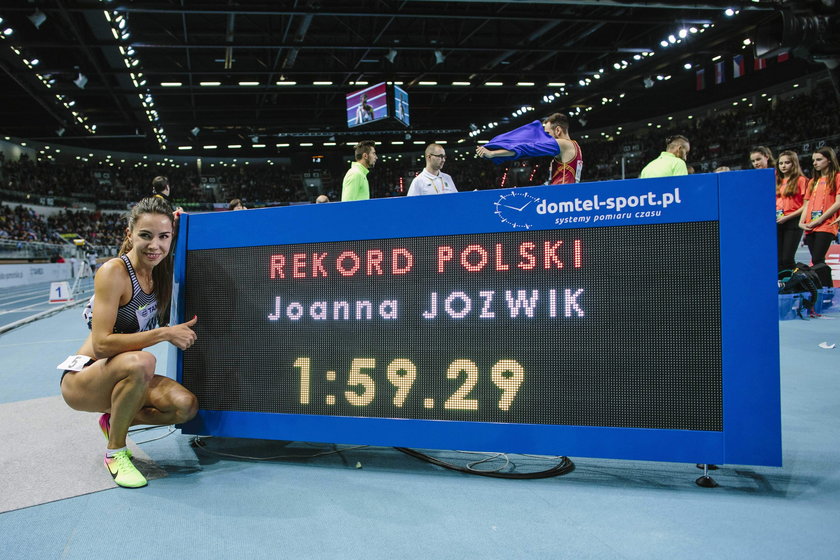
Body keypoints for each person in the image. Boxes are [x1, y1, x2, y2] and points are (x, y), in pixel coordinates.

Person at [59, 197, 199, 488]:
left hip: (128, 374)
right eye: (146, 235)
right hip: (84, 378)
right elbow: (100, 345)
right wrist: (164, 333)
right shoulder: (114, 272)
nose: (155, 245)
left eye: (164, 237)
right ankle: (116, 453)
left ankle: (113, 423)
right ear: (129, 234)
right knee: (143, 360)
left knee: (186, 407)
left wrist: (182, 224)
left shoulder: (158, 271)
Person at [475, 113, 583, 184]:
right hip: (566, 195)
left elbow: (526, 149)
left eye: (547, 134)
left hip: (562, 197)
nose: (546, 138)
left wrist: (493, 154)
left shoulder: (563, 144)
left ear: (558, 130)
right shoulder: (575, 145)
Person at [799, 146, 840, 287]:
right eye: (813, 160)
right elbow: (807, 204)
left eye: (819, 159)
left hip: (826, 224)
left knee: (817, 259)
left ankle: (828, 290)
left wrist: (820, 220)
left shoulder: (837, 177)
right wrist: (801, 222)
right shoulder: (812, 181)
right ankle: (825, 291)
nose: (815, 163)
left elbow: (838, 203)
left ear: (828, 160)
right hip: (810, 226)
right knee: (817, 261)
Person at [775, 150, 808, 274]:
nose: (783, 166)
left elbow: (806, 205)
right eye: (781, 163)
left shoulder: (801, 180)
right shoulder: (777, 182)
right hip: (778, 220)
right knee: (778, 260)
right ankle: (782, 285)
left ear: (794, 163)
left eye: (787, 162)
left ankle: (797, 283)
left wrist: (788, 217)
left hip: (793, 221)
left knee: (787, 259)